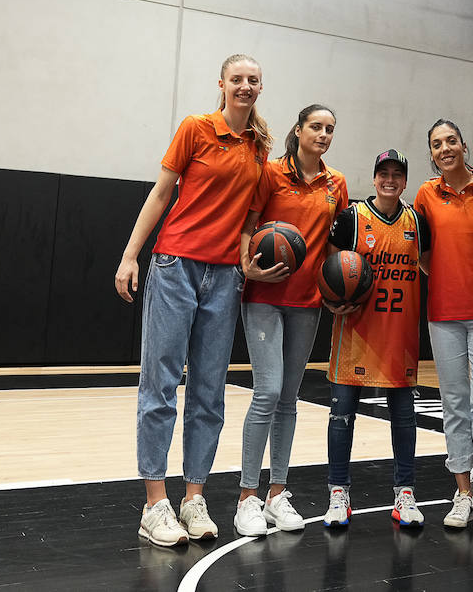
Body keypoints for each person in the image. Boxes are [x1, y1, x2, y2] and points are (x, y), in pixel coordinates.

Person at [114, 54, 272, 547]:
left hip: (225, 278)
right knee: (159, 386)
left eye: (253, 80)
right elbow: (161, 194)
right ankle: (154, 503)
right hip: (174, 265)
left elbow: (248, 219)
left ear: (259, 87)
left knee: (209, 392)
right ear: (221, 85)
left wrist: (245, 260)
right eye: (237, 79)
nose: (245, 86)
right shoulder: (195, 128)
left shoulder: (258, 148)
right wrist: (129, 256)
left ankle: (194, 497)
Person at [234, 105, 349, 537]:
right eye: (316, 127)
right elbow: (247, 225)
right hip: (264, 295)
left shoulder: (335, 183)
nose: (323, 134)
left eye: (329, 129)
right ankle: (246, 497)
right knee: (266, 391)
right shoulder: (269, 172)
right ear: (298, 131)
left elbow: (335, 247)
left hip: (307, 302)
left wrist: (340, 289)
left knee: (289, 397)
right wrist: (248, 265)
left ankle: (276, 493)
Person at [323, 149, 431, 528]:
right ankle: (339, 493)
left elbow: (434, 267)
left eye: (397, 174)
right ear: (374, 178)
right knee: (341, 417)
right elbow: (330, 270)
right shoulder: (351, 218)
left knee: (404, 419)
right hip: (355, 334)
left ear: (404, 181)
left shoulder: (417, 222)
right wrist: (331, 299)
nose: (390, 179)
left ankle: (405, 494)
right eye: (383, 172)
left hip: (399, 335)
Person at [412, 119, 473, 529]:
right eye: (437, 144)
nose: (445, 148)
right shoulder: (425, 194)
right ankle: (463, 493)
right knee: (453, 404)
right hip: (443, 312)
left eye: (451, 141)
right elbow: (421, 248)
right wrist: (447, 277)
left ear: (465, 146)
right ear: (432, 153)